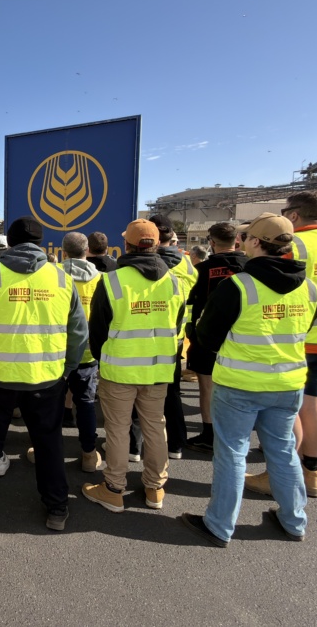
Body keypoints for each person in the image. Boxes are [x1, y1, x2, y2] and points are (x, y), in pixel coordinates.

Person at [179, 213, 317, 546]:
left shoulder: (238, 286)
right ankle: (294, 521)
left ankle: (219, 525)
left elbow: (207, 337)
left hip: (240, 385)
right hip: (288, 385)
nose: (241, 242)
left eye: (246, 238)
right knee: (283, 451)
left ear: (256, 242)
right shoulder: (310, 288)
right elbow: (304, 330)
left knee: (231, 454)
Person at [0, 217, 88, 531]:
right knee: (49, 445)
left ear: (11, 241)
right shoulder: (61, 279)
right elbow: (78, 333)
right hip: (46, 380)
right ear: (41, 242)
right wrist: (67, 368)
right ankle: (57, 509)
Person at [246, 191, 317, 499]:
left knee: (295, 408)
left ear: (293, 216)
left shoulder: (296, 245)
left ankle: (282, 475)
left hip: (299, 337)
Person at [82, 219, 184, 514]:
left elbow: (97, 329)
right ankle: (155, 487)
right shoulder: (173, 280)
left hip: (120, 369)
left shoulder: (113, 280)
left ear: (126, 245)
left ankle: (113, 488)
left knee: (117, 429)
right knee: (155, 427)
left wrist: (105, 356)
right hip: (158, 368)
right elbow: (176, 324)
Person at [184, 222, 247, 454]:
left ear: (211, 242)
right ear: (237, 240)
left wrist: (191, 331)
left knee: (207, 386)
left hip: (207, 337)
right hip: (245, 336)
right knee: (242, 388)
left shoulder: (202, 270)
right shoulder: (250, 267)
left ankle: (209, 434)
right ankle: (236, 435)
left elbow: (191, 304)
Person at [145, 213, 198, 460]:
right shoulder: (186, 263)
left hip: (144, 336)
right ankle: (176, 443)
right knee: (172, 390)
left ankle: (136, 446)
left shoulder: (150, 265)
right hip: (174, 338)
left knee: (141, 392)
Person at [58, 232, 104, 473]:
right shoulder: (103, 279)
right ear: (87, 251)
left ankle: (44, 448)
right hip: (88, 354)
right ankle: (89, 453)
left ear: (63, 252)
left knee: (53, 404)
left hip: (57, 353)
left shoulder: (53, 277)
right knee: (86, 404)